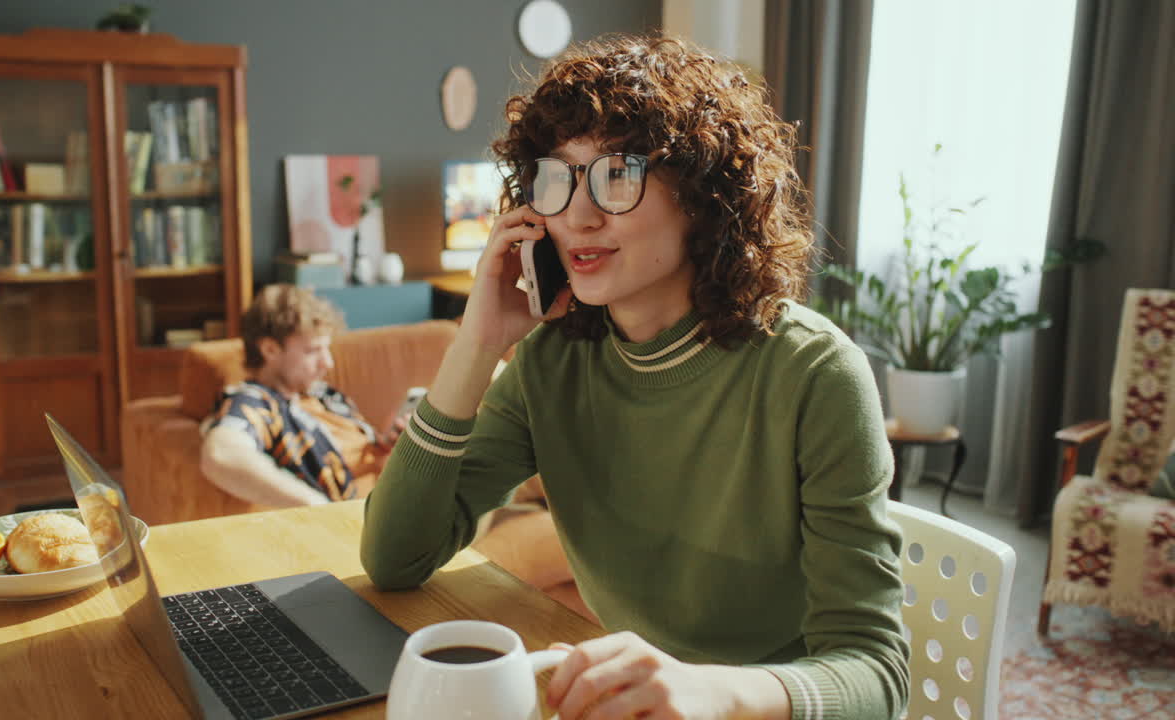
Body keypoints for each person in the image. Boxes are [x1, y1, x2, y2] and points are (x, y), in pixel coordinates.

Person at [361, 33, 909, 720]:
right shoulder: (550, 362)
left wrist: (712, 689)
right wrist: (478, 342)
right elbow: (394, 558)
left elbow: (877, 676)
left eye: (618, 174)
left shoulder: (815, 375)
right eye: (557, 178)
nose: (579, 216)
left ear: (704, 195)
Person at [199, 284, 396, 506]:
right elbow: (220, 453)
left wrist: (391, 444)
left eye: (326, 348)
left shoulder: (324, 395)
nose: (328, 363)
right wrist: (315, 506)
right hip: (358, 521)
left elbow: (370, 458)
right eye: (313, 351)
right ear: (270, 350)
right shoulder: (256, 400)